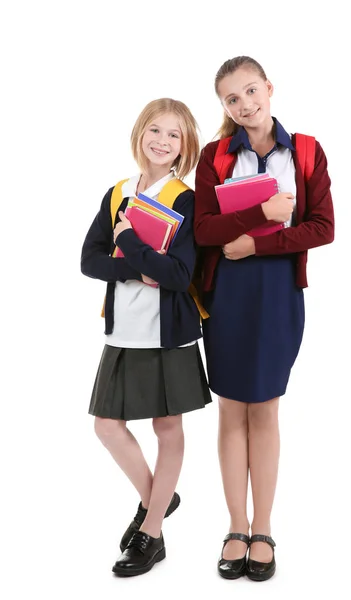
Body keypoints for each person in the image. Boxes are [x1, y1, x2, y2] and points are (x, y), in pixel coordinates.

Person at [194, 56, 334, 581]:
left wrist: (256, 240)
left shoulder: (304, 150)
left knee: (266, 410)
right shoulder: (214, 156)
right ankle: (235, 525)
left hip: (278, 291)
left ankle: (265, 526)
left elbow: (322, 226)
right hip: (227, 292)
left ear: (269, 88)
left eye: (251, 91)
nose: (245, 104)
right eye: (232, 99)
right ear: (224, 107)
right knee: (232, 409)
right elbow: (204, 231)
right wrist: (260, 215)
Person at [81, 98, 211, 578]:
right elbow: (89, 261)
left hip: (168, 331)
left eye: (174, 135)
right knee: (106, 426)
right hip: (123, 329)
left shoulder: (184, 199)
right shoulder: (117, 193)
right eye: (154, 130)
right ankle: (159, 496)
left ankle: (151, 532)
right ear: (139, 133)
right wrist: (139, 268)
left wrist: (130, 242)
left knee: (166, 427)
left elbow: (178, 274)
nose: (162, 140)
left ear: (184, 147)